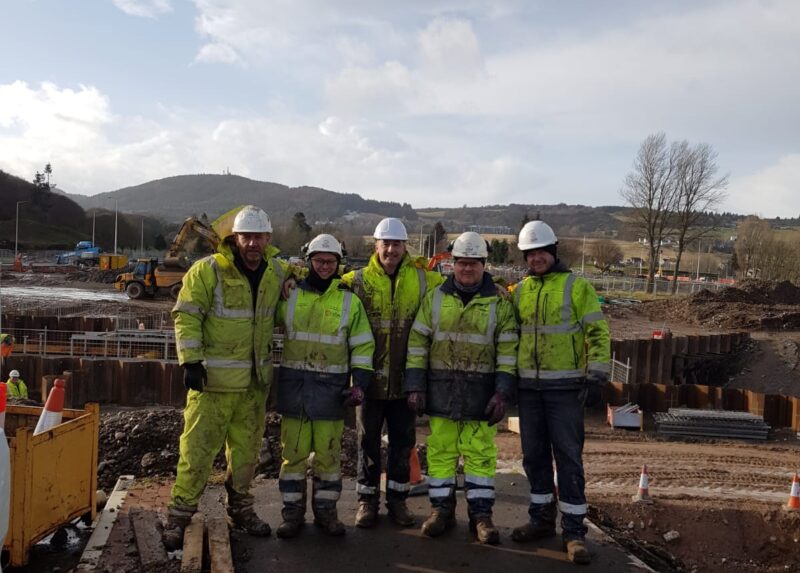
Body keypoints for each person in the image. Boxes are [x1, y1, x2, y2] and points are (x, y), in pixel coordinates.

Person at [166, 205, 290, 547]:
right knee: (197, 451)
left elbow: (303, 275)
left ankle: (241, 509)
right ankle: (179, 515)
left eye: (258, 237)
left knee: (247, 454)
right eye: (246, 237)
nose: (252, 243)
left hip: (253, 385)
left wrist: (293, 279)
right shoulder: (208, 271)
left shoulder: (275, 273)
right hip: (213, 384)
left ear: (268, 239)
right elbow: (186, 315)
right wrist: (190, 361)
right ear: (234, 238)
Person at [405, 232, 518, 544]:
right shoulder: (435, 299)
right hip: (442, 391)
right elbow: (418, 343)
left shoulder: (499, 303)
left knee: (480, 454)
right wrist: (415, 385)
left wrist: (502, 391)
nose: (466, 269)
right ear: (452, 264)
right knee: (441, 454)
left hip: (480, 394)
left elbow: (508, 351)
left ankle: (481, 516)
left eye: (473, 263)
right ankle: (441, 510)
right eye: (461, 263)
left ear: (483, 264)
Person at [509, 220, 610, 564]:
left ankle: (574, 532)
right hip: (529, 390)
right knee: (533, 457)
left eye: (541, 252)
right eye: (530, 254)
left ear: (553, 251)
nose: (536, 258)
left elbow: (597, 332)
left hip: (565, 390)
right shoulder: (520, 291)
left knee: (568, 459)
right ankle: (540, 521)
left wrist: (597, 376)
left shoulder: (576, 287)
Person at [340, 218, 444, 528]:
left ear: (404, 246)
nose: (391, 249)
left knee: (403, 442)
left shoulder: (424, 280)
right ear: (376, 245)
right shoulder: (356, 281)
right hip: (368, 382)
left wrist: (491, 281)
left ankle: (397, 501)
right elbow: (321, 278)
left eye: (396, 244)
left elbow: (463, 281)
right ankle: (367, 501)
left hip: (405, 381)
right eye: (385, 243)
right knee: (367, 443)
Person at [274, 234, 375, 539]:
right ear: (308, 262)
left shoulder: (348, 301)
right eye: (319, 261)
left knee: (329, 459)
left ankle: (326, 514)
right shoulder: (289, 296)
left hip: (331, 394)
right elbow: (267, 270)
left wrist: (360, 384)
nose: (325, 266)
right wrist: (288, 276)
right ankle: (292, 515)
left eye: (331, 261)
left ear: (338, 263)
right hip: (295, 393)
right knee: (293, 457)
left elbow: (362, 347)